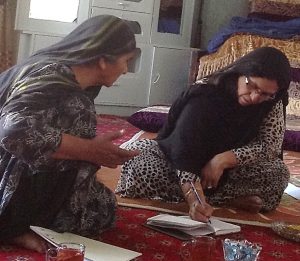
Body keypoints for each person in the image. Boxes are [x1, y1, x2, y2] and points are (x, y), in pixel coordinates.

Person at [0, 15, 140, 253]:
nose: (126, 70)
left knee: (105, 207)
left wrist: (89, 151)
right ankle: (13, 225)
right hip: (7, 183)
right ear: (103, 60)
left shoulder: (58, 72)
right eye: (126, 61)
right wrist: (90, 150)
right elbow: (14, 130)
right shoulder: (55, 78)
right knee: (79, 114)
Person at [116, 47, 291, 222]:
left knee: (278, 173)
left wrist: (223, 160)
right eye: (251, 86)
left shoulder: (272, 100)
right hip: (177, 161)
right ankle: (225, 200)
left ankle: (215, 198)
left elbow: (270, 146)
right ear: (241, 72)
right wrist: (194, 199)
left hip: (228, 171)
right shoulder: (206, 94)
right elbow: (183, 149)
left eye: (265, 94)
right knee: (137, 157)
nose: (254, 97)